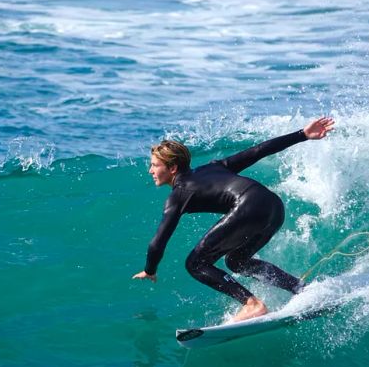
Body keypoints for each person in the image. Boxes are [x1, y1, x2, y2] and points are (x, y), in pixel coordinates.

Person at [132, 117, 335, 323]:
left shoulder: (179, 194)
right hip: (274, 207)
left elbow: (158, 242)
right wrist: (302, 134)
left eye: (155, 165)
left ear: (172, 168)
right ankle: (300, 288)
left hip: (249, 206)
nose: (150, 171)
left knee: (195, 263)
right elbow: (258, 151)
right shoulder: (213, 167)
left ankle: (252, 305)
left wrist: (150, 270)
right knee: (237, 262)